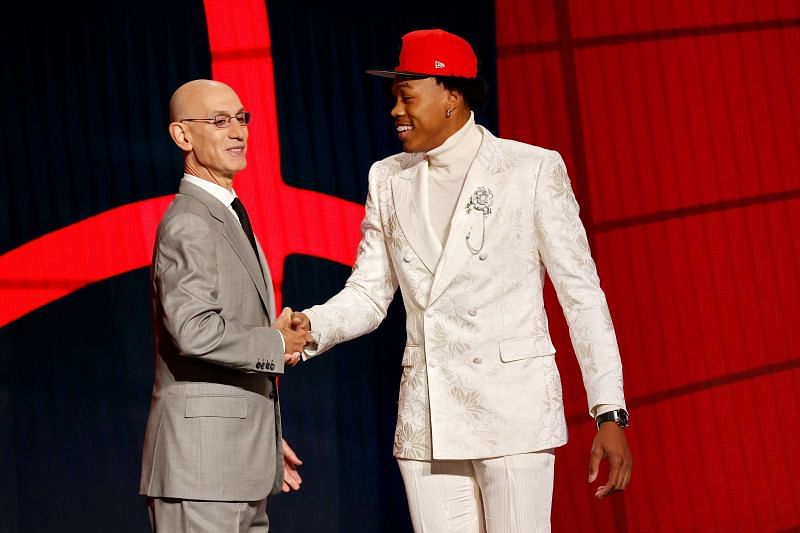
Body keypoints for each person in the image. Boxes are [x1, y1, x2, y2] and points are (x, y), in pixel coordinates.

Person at [291, 29, 632, 532]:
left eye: (407, 96)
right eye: (394, 99)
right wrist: (309, 327)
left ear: (452, 95)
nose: (395, 111)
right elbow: (368, 293)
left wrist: (609, 412)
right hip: (428, 421)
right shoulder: (387, 178)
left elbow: (581, 297)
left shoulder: (531, 170)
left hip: (513, 415)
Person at [139, 79, 311, 532]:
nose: (237, 131)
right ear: (182, 137)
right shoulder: (189, 223)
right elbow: (194, 331)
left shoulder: (228, 213)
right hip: (200, 473)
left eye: (241, 118)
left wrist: (264, 437)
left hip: (237, 465)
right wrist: (275, 341)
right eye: (219, 121)